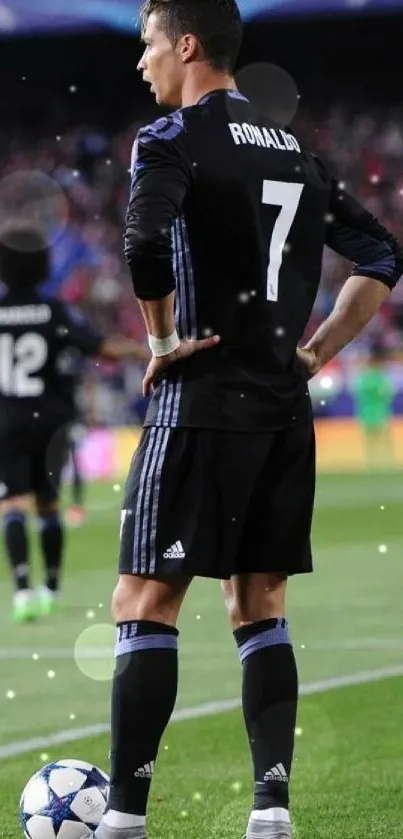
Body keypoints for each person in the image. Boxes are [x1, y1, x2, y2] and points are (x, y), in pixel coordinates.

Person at [94, 2, 403, 839]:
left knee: (144, 599)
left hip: (199, 401)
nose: (141, 64)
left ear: (186, 45)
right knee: (258, 602)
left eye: (149, 45)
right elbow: (379, 254)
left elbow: (143, 241)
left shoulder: (169, 142)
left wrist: (160, 338)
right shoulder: (298, 151)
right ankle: (271, 811)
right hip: (279, 407)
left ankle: (121, 816)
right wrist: (313, 354)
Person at [0, 221, 149, 622]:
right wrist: (148, 350)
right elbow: (101, 347)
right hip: (51, 421)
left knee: (12, 504)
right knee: (48, 505)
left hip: (8, 421)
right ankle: (51, 587)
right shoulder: (54, 311)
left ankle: (22, 591)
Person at [352, 343, 395, 469]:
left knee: (370, 441)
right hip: (380, 411)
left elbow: (358, 395)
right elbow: (387, 395)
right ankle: (387, 461)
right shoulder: (380, 377)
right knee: (383, 439)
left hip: (366, 412)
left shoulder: (363, 377)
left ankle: (371, 462)